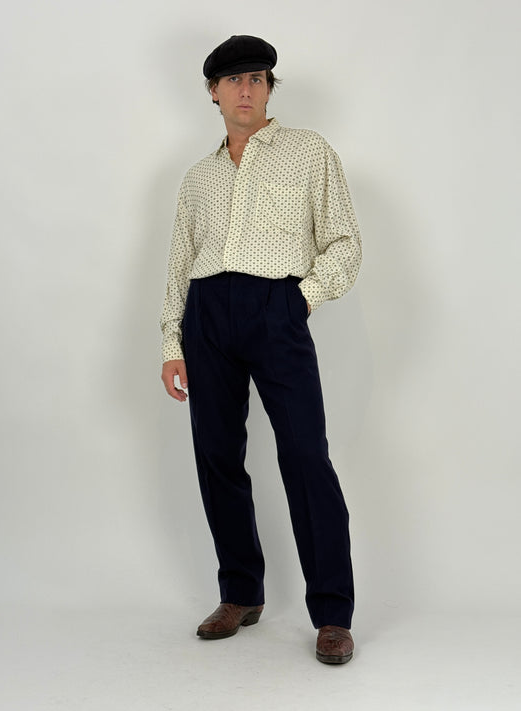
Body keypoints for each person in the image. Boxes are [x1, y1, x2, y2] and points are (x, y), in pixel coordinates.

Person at [159, 34, 362, 665]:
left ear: (270, 88)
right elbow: (179, 263)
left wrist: (301, 299)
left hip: (277, 307)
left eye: (257, 78)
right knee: (217, 456)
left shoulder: (309, 151)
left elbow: (344, 241)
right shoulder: (198, 177)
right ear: (213, 93)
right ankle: (240, 593)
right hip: (207, 314)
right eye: (233, 80)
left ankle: (333, 612)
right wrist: (172, 340)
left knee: (305, 456)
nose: (245, 90)